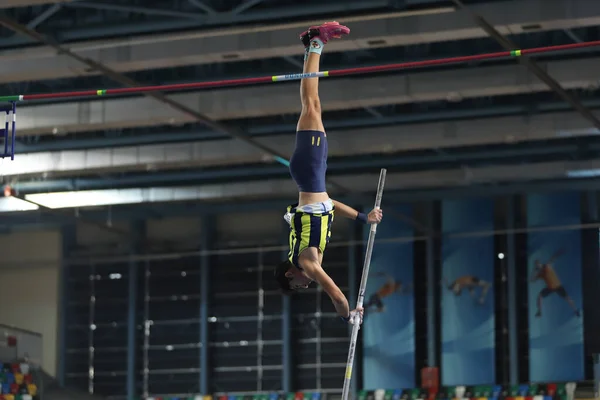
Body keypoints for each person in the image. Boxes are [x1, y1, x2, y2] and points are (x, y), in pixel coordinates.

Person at [273, 22, 383, 325]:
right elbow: (330, 204)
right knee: (314, 105)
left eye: (296, 285)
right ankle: (313, 44)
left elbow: (335, 294)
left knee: (311, 104)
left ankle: (315, 42)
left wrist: (349, 315)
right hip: (312, 174)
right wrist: (364, 218)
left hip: (309, 170)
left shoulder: (308, 263)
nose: (304, 285)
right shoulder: (309, 250)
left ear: (290, 274)